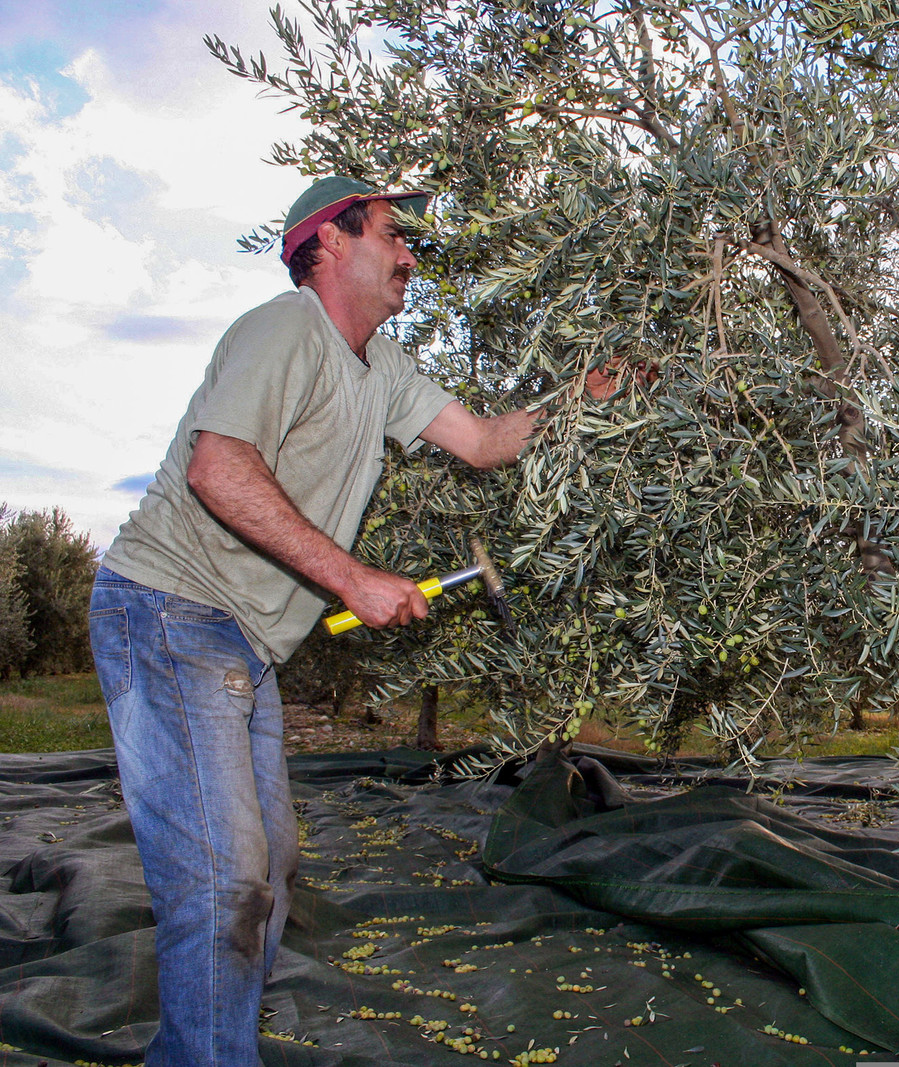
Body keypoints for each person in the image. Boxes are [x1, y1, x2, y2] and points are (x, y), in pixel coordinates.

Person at [88, 176, 618, 1066]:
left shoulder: (386, 368)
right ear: (329, 243)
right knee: (225, 881)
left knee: (268, 866)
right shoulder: (285, 328)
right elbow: (217, 468)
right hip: (169, 610)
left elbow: (485, 443)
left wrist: (581, 397)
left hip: (240, 644)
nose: (410, 256)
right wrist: (353, 579)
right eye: (390, 236)